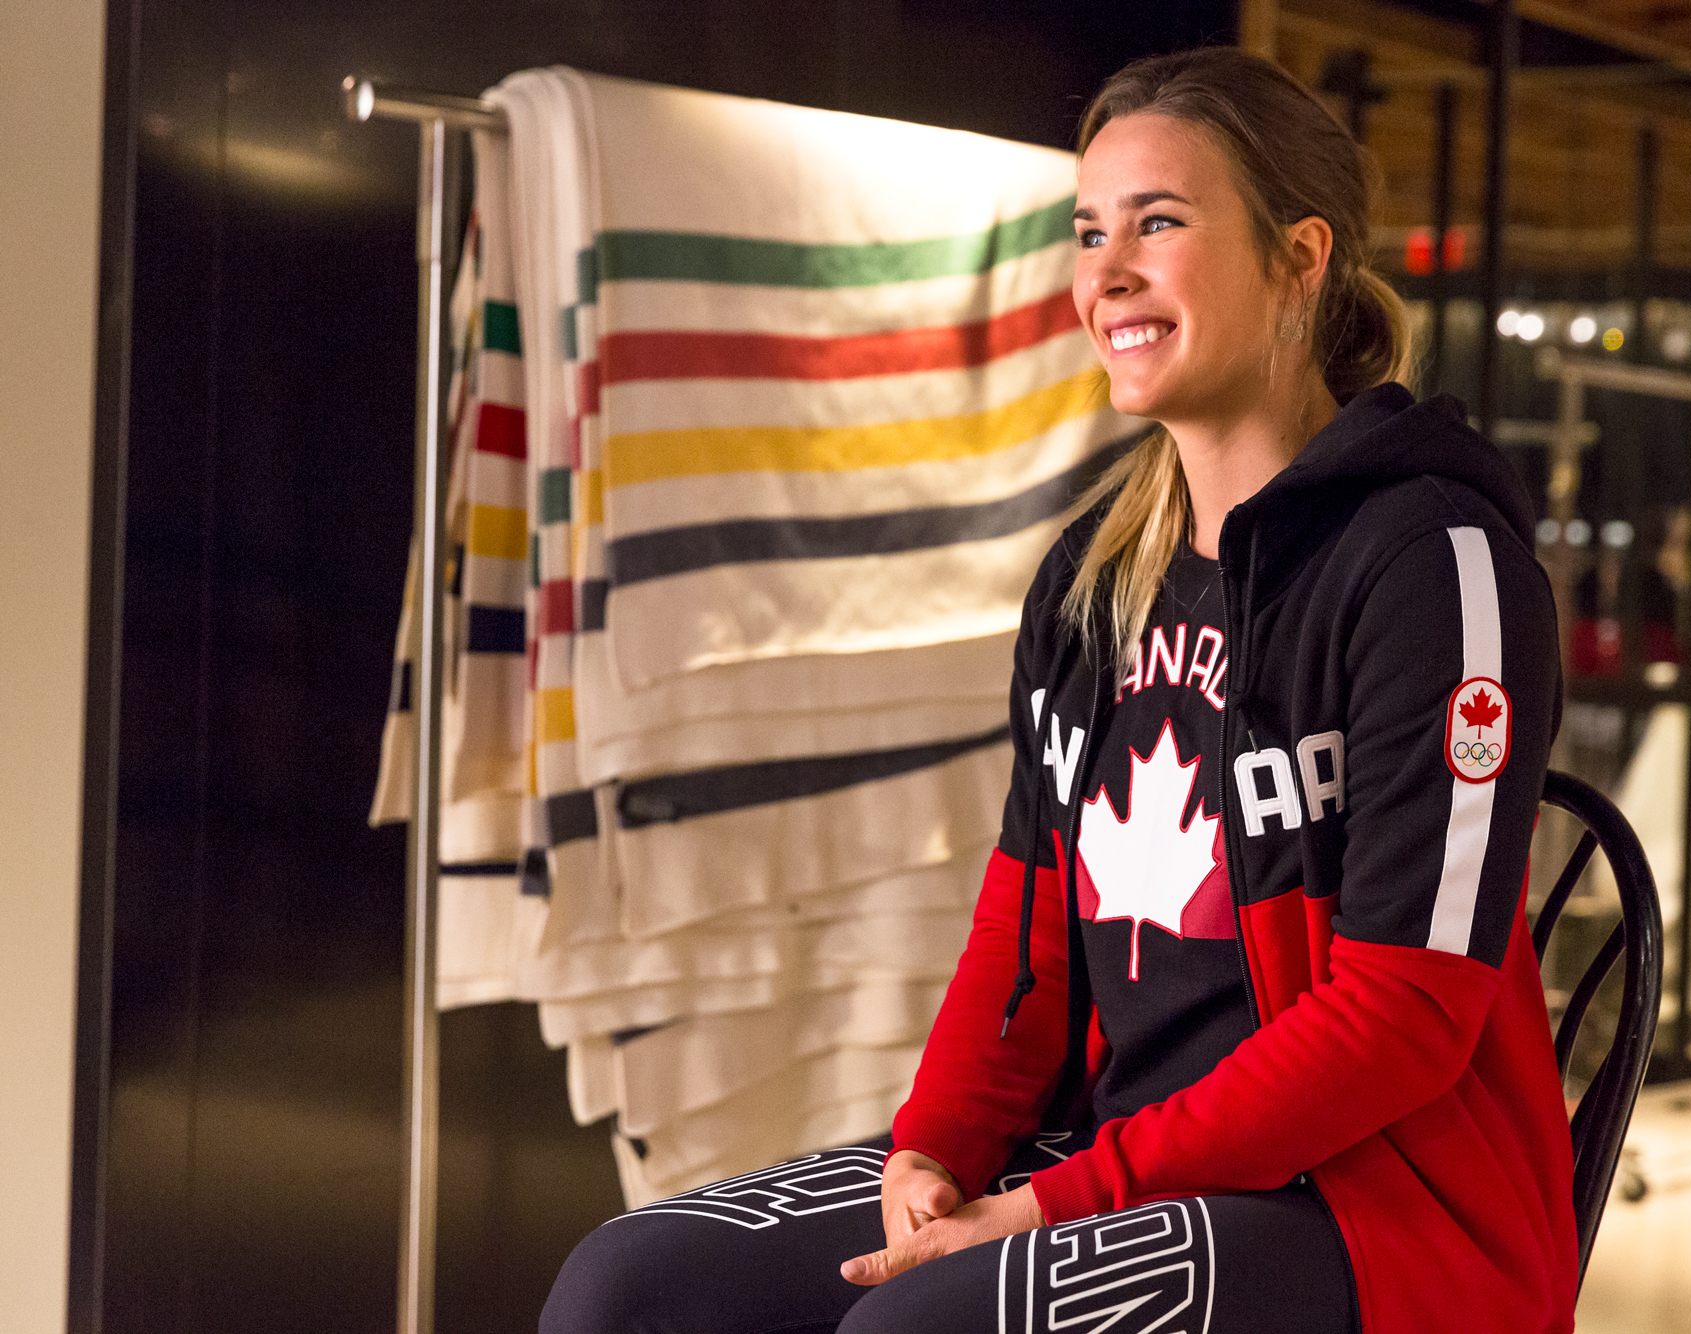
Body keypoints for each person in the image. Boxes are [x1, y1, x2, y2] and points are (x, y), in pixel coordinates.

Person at [542, 44, 1574, 1334]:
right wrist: (935, 1150)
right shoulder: (1094, 579)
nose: (1107, 274)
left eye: (1160, 223)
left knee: (914, 1333)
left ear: (1300, 258)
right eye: (1091, 232)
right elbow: (1022, 935)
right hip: (1112, 1152)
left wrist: (1052, 1205)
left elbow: (1402, 1016)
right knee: (626, 1291)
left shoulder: (1435, 565)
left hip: (1374, 1210)